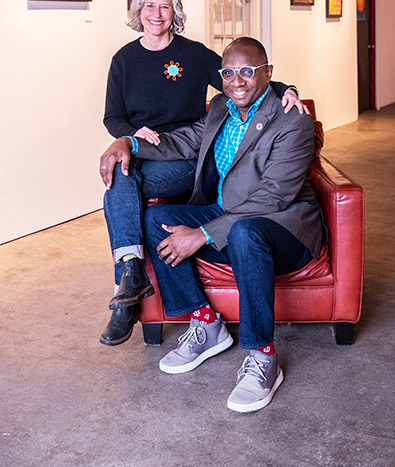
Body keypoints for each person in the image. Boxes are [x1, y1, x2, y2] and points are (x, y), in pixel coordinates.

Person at [99, 37, 323, 413]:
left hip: (283, 227)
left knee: (244, 230)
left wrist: (202, 234)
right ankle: (206, 324)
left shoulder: (292, 120)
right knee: (157, 219)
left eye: (248, 71)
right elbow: (185, 141)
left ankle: (262, 356)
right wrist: (129, 144)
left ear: (268, 73)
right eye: (229, 73)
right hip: (227, 213)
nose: (238, 81)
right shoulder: (221, 106)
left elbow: (274, 198)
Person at [100, 0, 309, 346]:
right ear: (138, 10)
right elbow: (118, 116)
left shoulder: (197, 57)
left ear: (174, 12)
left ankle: (128, 281)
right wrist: (127, 142)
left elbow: (245, 72)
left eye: (164, 6)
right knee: (127, 183)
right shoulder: (128, 62)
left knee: (126, 184)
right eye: (149, 6)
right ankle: (141, 278)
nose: (156, 13)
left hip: (197, 172)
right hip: (154, 149)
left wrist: (286, 89)